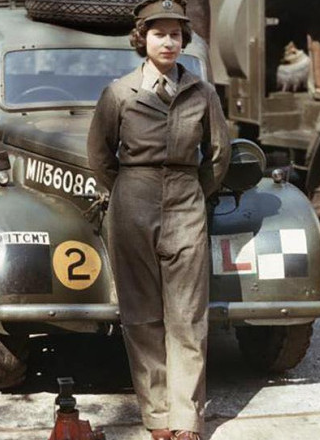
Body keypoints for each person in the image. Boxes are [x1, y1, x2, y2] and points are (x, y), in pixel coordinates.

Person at [86, 1, 230, 439]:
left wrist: (192, 193)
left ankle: (186, 422)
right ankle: (158, 418)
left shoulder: (202, 93)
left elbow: (219, 155)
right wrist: (130, 192)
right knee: (142, 317)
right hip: (132, 204)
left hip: (187, 203)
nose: (168, 42)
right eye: (159, 33)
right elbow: (99, 156)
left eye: (175, 34)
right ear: (141, 39)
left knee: (187, 316)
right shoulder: (119, 93)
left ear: (184, 40)